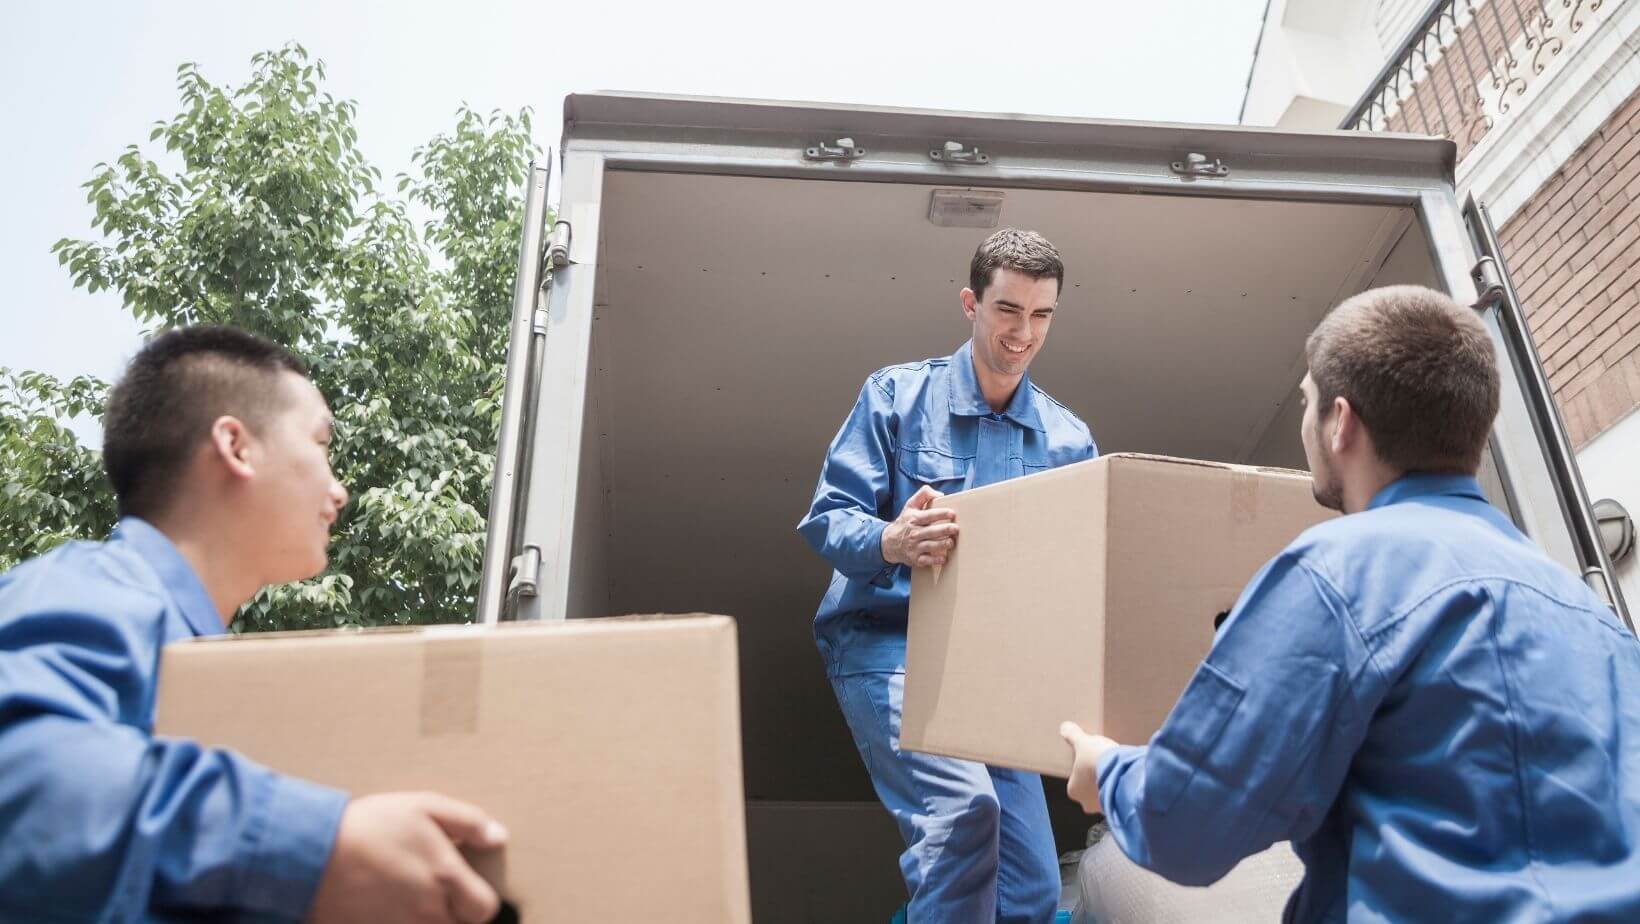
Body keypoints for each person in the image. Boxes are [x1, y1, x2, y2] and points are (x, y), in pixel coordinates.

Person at [1061, 285, 1640, 922]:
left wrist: (1107, 771)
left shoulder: (1336, 575)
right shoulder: (1591, 615)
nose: (1303, 423)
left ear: (1342, 423)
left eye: (1306, 404)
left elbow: (1183, 824)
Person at [0, 326, 506, 923]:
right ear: (236, 446)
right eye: (321, 444)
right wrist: (321, 849)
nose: (338, 489)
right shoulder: (92, 584)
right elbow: (20, 772)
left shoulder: (199, 664)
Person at [798, 229, 1096, 922]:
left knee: (1031, 890)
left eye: (1042, 315)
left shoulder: (1068, 441)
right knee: (966, 813)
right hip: (887, 644)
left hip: (995, 670)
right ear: (971, 302)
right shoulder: (896, 397)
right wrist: (894, 539)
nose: (1023, 332)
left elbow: (1078, 575)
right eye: (1008, 310)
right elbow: (827, 518)